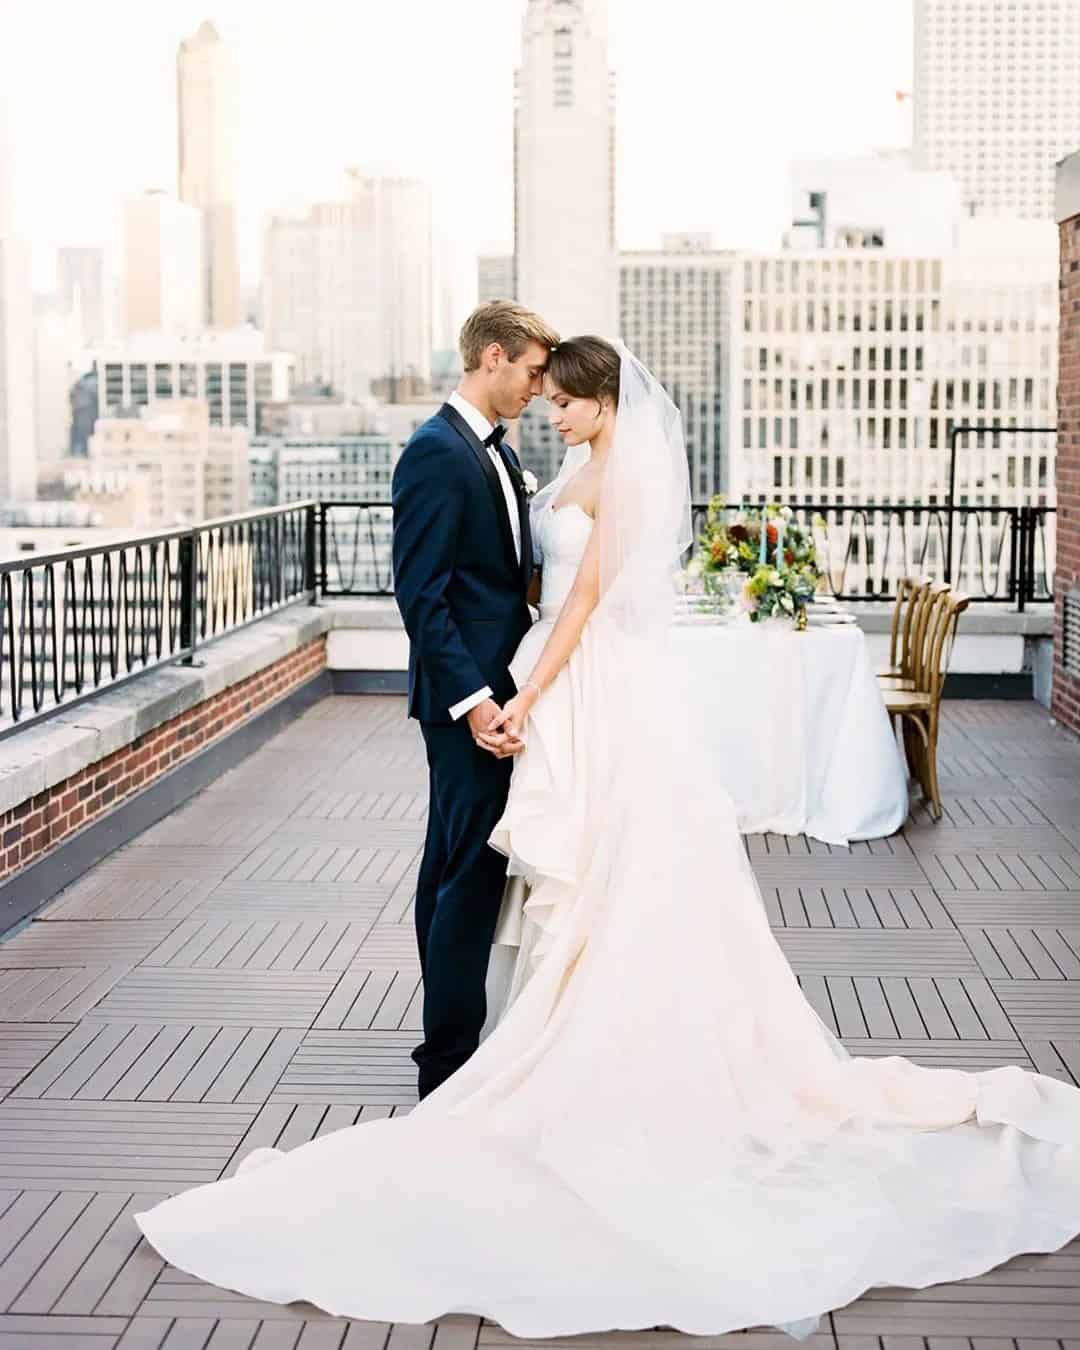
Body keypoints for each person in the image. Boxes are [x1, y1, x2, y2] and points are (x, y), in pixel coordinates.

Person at [135, 338, 1080, 1342]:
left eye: (563, 397)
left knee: (609, 868)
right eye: (541, 392)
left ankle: (584, 1041)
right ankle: (520, 1031)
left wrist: (530, 690)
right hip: (547, 677)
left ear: (598, 397)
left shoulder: (622, 475)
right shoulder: (548, 465)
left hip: (586, 687)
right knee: (551, 871)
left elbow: (586, 598)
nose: (549, 408)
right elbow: (522, 584)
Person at [388, 301, 558, 1099]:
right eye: (530, 371)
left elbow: (495, 579)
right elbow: (423, 598)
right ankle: (447, 1066)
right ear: (493, 357)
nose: (537, 386)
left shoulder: (491, 450)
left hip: (498, 691)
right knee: (468, 876)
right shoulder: (436, 452)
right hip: (471, 706)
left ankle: (449, 1043)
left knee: (451, 870)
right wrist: (478, 703)